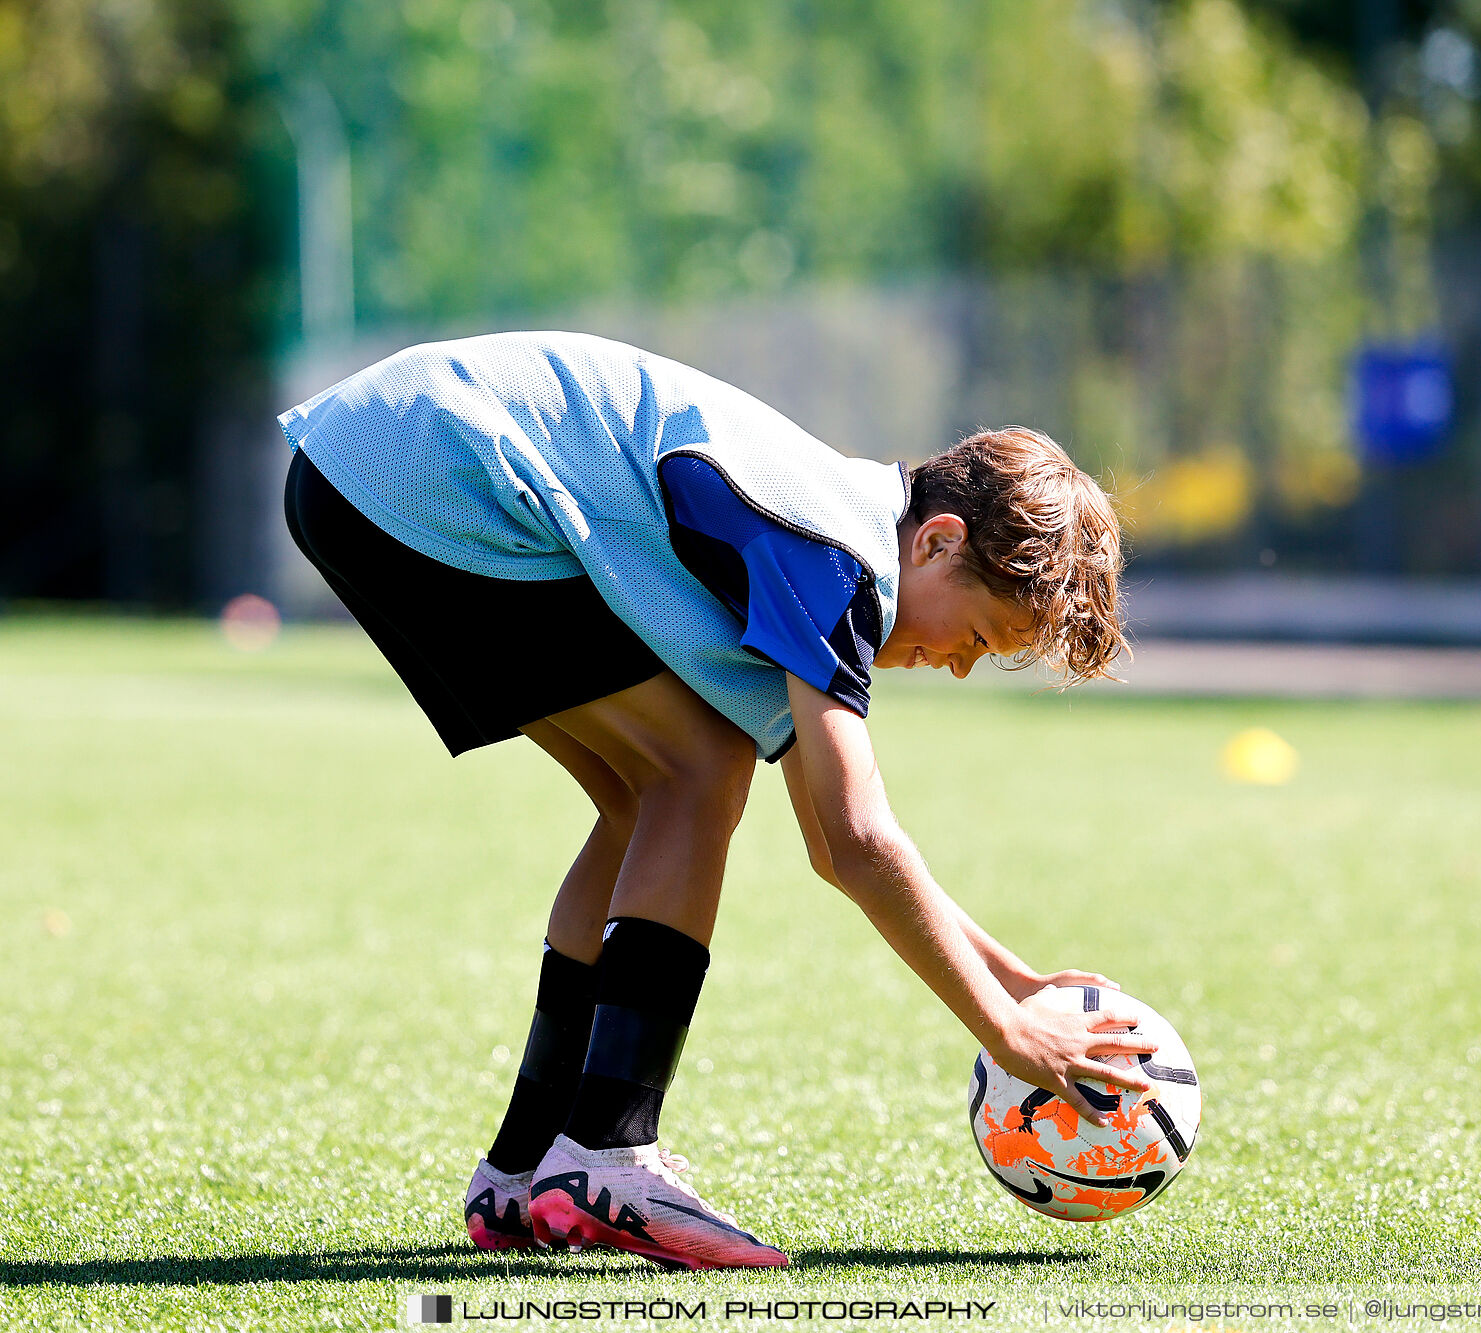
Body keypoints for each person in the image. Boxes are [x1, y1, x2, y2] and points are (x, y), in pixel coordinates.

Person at [278, 330, 1156, 1271]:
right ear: (938, 541)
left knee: (645, 797)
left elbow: (830, 841)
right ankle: (607, 1153)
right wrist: (1005, 1026)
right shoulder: (838, 559)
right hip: (435, 466)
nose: (960, 661)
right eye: (978, 632)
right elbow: (861, 841)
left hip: (363, 462)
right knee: (693, 771)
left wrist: (1017, 978)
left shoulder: (831, 531)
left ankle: (526, 1165)